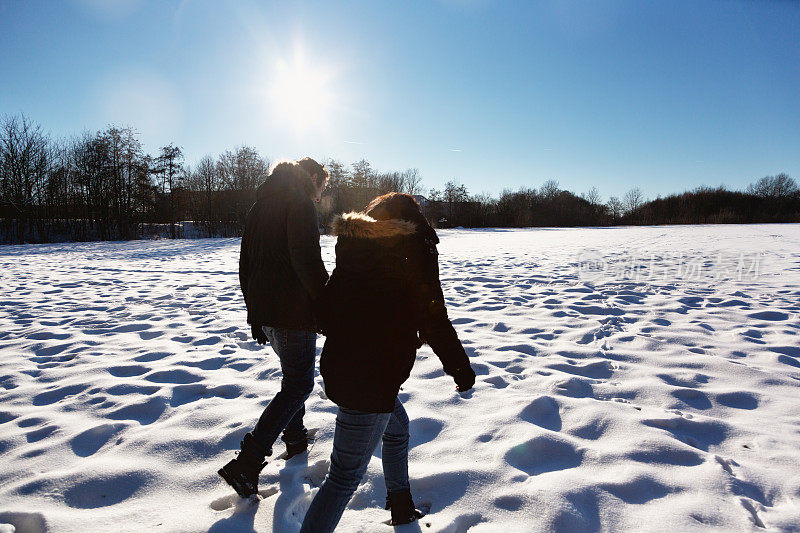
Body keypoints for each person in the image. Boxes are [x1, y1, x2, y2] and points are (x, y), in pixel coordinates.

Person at [300, 193, 476, 531]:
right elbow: (433, 317)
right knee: (343, 478)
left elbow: (325, 307)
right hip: (373, 376)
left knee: (398, 429)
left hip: (347, 367)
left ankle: (401, 504)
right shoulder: (414, 246)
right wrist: (461, 368)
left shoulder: (355, 247)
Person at [218, 157, 329, 498]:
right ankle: (248, 462)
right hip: (292, 310)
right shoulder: (299, 203)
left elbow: (245, 264)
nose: (320, 194)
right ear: (312, 177)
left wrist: (255, 312)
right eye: (322, 187)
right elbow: (307, 260)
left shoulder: (258, 207)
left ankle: (295, 438)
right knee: (299, 384)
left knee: (292, 376)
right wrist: (327, 305)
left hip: (267, 310)